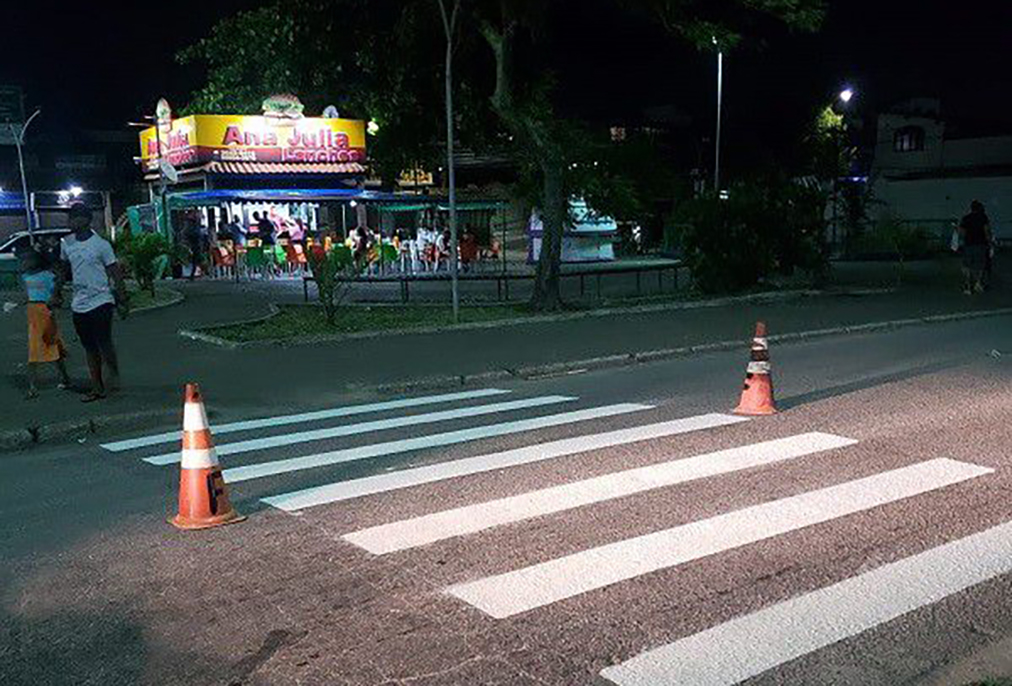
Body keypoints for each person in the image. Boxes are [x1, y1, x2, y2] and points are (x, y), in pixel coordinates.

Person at [51, 203, 129, 402]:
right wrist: (56, 293)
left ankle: (111, 372)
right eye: (70, 218)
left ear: (86, 220)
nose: (70, 222)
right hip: (79, 303)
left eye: (74, 218)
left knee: (103, 341)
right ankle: (97, 386)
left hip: (101, 300)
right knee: (89, 346)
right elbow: (62, 271)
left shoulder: (101, 245)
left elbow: (115, 272)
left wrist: (122, 299)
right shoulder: (66, 243)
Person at [20, 247, 71, 399]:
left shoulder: (48, 275)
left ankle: (61, 378)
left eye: (28, 260)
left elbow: (56, 291)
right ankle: (33, 386)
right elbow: (27, 294)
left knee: (51, 346)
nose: (25, 263)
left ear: (36, 261)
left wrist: (55, 299)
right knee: (38, 348)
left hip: (45, 311)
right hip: (33, 313)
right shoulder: (25, 277)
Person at [958, 200, 992, 295]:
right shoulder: (983, 218)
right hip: (981, 244)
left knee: (967, 265)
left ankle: (968, 286)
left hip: (968, 244)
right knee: (981, 265)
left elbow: (961, 233)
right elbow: (987, 231)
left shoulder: (966, 218)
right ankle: (978, 283)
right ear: (980, 208)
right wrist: (990, 243)